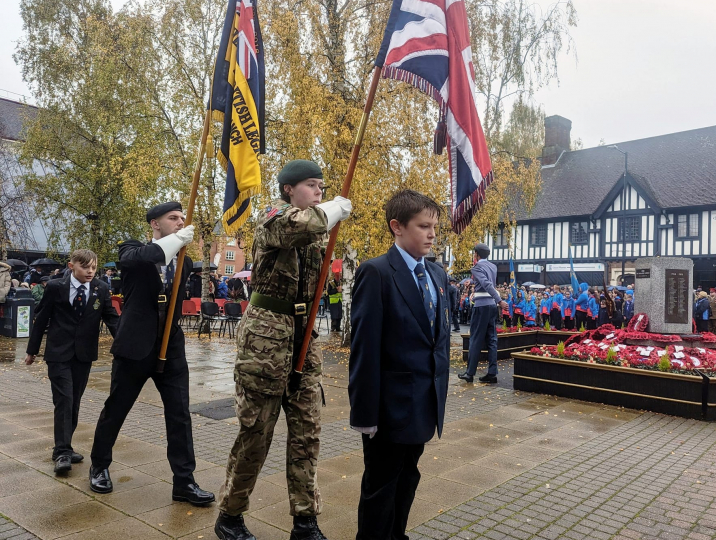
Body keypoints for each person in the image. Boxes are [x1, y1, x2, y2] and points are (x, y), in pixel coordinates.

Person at [215, 160, 351, 540]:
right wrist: (333, 210)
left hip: (305, 339)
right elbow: (300, 226)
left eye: (322, 186)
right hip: (265, 342)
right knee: (256, 434)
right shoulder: (272, 217)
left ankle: (306, 521)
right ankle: (230, 515)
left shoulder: (318, 224)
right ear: (289, 189)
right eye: (311, 185)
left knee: (307, 433)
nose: (319, 191)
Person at [89, 201, 214, 506]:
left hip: (170, 346)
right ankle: (99, 464)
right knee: (117, 407)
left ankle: (184, 482)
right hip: (135, 346)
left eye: (182, 218)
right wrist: (176, 240)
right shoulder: (132, 250)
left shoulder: (183, 260)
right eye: (173, 219)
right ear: (155, 224)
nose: (180, 223)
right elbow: (145, 257)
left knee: (180, 414)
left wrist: (181, 244)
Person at [349, 189, 450, 540]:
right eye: (424, 226)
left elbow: (439, 341)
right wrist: (365, 416)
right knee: (380, 488)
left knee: (409, 478)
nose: (432, 234)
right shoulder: (376, 273)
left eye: (435, 226)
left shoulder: (437, 276)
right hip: (389, 410)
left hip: (424, 403)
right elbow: (365, 350)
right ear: (397, 227)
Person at [24, 249, 119, 475]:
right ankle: (62, 451)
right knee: (64, 400)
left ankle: (65, 445)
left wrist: (128, 345)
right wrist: (32, 350)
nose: (90, 271)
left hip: (83, 355)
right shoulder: (56, 287)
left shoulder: (101, 289)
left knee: (74, 401)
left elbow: (113, 320)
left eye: (93, 267)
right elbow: (41, 319)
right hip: (58, 353)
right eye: (85, 267)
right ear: (71, 266)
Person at [458, 243, 507, 383]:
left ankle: (470, 373)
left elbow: (485, 283)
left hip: (481, 305)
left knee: (475, 339)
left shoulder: (476, 267)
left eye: (474, 254)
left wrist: (500, 300)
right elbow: (488, 283)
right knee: (492, 339)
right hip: (491, 305)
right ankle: (492, 373)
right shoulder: (493, 266)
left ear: (477, 255)